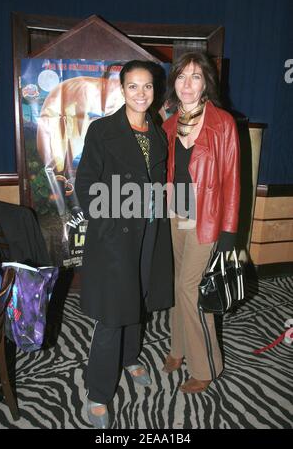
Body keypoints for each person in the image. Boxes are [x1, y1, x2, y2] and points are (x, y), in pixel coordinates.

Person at [75, 60, 173, 428]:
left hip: (150, 229)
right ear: (122, 89)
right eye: (133, 86)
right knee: (113, 311)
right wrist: (108, 221)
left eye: (147, 86)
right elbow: (85, 182)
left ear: (155, 91)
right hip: (116, 234)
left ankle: (130, 357)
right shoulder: (103, 130)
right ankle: (98, 392)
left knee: (140, 297)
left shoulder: (158, 131)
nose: (141, 93)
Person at [162, 51, 240, 393]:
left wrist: (229, 232)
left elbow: (233, 180)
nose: (187, 84)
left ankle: (206, 366)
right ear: (174, 82)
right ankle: (178, 347)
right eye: (181, 76)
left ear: (206, 81)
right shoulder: (167, 123)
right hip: (175, 214)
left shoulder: (222, 123)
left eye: (195, 76)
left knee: (191, 290)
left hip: (206, 218)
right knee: (177, 282)